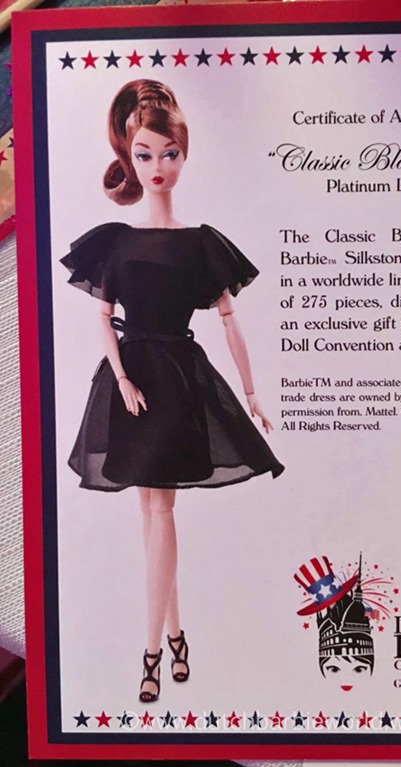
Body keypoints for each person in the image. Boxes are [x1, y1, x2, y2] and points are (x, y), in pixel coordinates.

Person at [61, 79, 284, 703]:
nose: (157, 165)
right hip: (133, 384)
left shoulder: (200, 243)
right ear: (129, 158)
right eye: (145, 154)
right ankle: (177, 634)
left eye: (169, 153)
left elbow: (230, 320)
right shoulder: (115, 241)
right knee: (151, 515)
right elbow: (103, 315)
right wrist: (121, 376)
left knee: (160, 514)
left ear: (184, 155)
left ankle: (152, 653)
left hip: (177, 381)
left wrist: (251, 391)